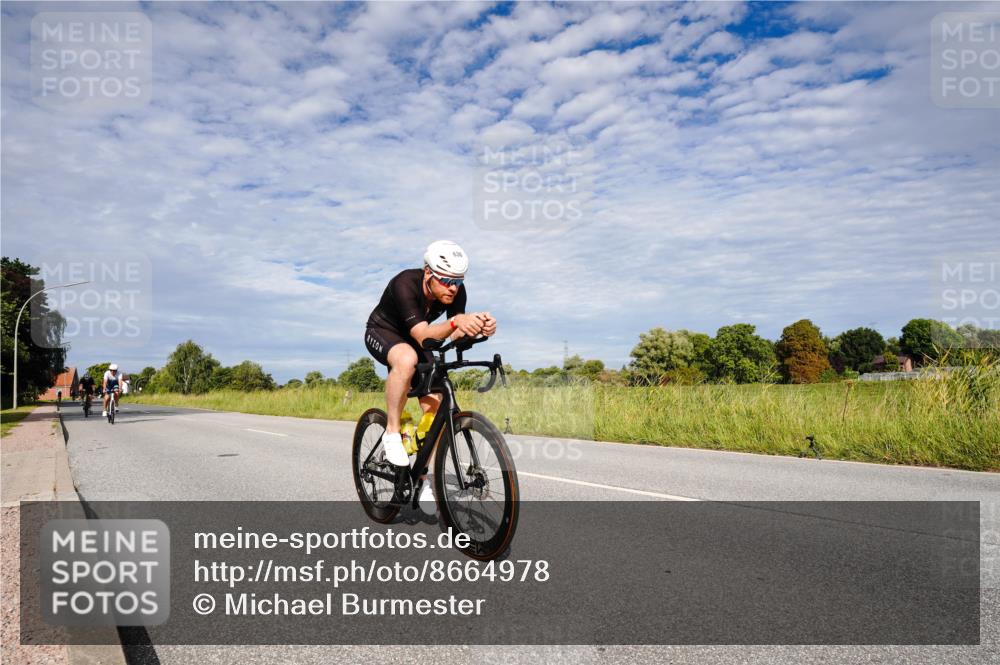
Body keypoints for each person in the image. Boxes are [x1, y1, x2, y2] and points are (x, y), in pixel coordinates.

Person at [364, 241, 496, 512]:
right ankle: (391, 432)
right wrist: (454, 323)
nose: (453, 288)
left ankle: (421, 478)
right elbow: (425, 335)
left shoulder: (455, 291)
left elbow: (455, 332)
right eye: (446, 280)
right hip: (384, 331)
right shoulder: (404, 283)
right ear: (427, 273)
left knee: (435, 406)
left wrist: (479, 326)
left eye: (458, 281)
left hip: (419, 340)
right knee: (406, 358)